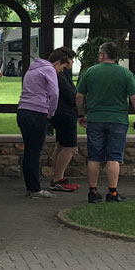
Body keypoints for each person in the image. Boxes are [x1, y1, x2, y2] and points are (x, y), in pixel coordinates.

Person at [77, 41, 135, 203]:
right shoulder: (125, 73)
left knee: (94, 156)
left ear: (102, 55)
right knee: (114, 156)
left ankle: (93, 191)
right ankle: (112, 192)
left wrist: (80, 114)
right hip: (118, 119)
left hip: (95, 118)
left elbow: (79, 96)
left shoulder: (90, 72)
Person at [16, 48, 70, 197]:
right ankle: (35, 189)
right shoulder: (49, 70)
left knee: (29, 150)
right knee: (35, 152)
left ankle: (30, 185)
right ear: (58, 63)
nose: (61, 71)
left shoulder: (32, 69)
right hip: (37, 112)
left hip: (23, 111)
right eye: (62, 67)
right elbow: (55, 93)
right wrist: (51, 112)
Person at [48, 48, 80, 192]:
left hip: (59, 114)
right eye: (71, 60)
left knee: (60, 145)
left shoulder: (61, 73)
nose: (72, 63)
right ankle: (58, 179)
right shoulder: (59, 75)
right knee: (69, 147)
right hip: (65, 114)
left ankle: (57, 176)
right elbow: (70, 94)